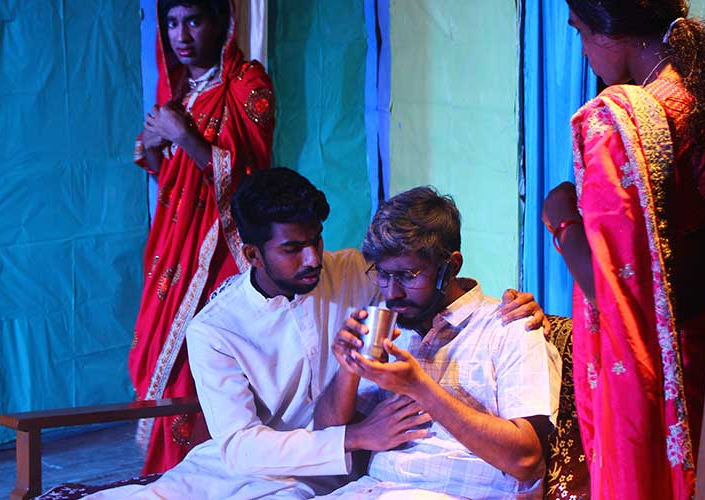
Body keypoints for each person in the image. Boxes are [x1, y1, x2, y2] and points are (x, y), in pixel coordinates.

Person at [88, 169, 546, 499]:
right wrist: (357, 431)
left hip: (341, 473)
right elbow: (242, 447)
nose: (312, 259)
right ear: (252, 254)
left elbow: (431, 279)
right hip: (263, 459)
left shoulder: (357, 272)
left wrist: (515, 305)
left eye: (316, 240)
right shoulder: (215, 329)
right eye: (292, 248)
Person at [541, 1, 705, 498]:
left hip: (660, 369)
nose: (584, 53)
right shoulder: (704, 93)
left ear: (612, 30)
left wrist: (562, 220)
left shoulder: (618, 121)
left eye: (581, 33)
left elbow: (615, 293)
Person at [315, 187, 562, 499]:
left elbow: (525, 460)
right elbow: (325, 436)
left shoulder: (509, 325)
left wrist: (420, 387)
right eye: (383, 274)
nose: (392, 293)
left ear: (451, 266)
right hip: (372, 490)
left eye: (408, 275)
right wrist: (348, 367)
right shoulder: (391, 328)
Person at [129, 0, 276, 474]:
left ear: (222, 23)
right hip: (175, 248)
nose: (182, 35)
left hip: (224, 250)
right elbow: (170, 177)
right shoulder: (179, 90)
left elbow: (250, 180)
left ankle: (217, 471)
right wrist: (157, 146)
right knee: (163, 356)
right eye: (172, 23)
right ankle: (170, 474)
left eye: (193, 20)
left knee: (204, 359)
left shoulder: (248, 85)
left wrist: (183, 135)